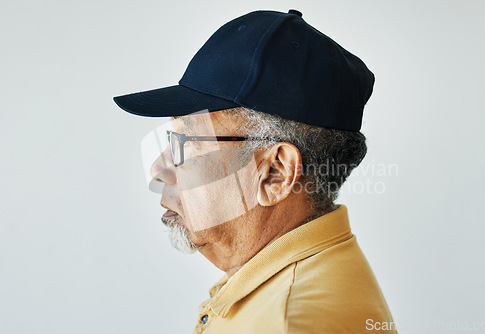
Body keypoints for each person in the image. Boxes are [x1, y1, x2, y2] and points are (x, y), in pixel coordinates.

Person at [114, 9, 397, 334]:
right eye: (170, 138)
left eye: (185, 142)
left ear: (275, 173)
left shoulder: (289, 325)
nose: (158, 168)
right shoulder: (281, 284)